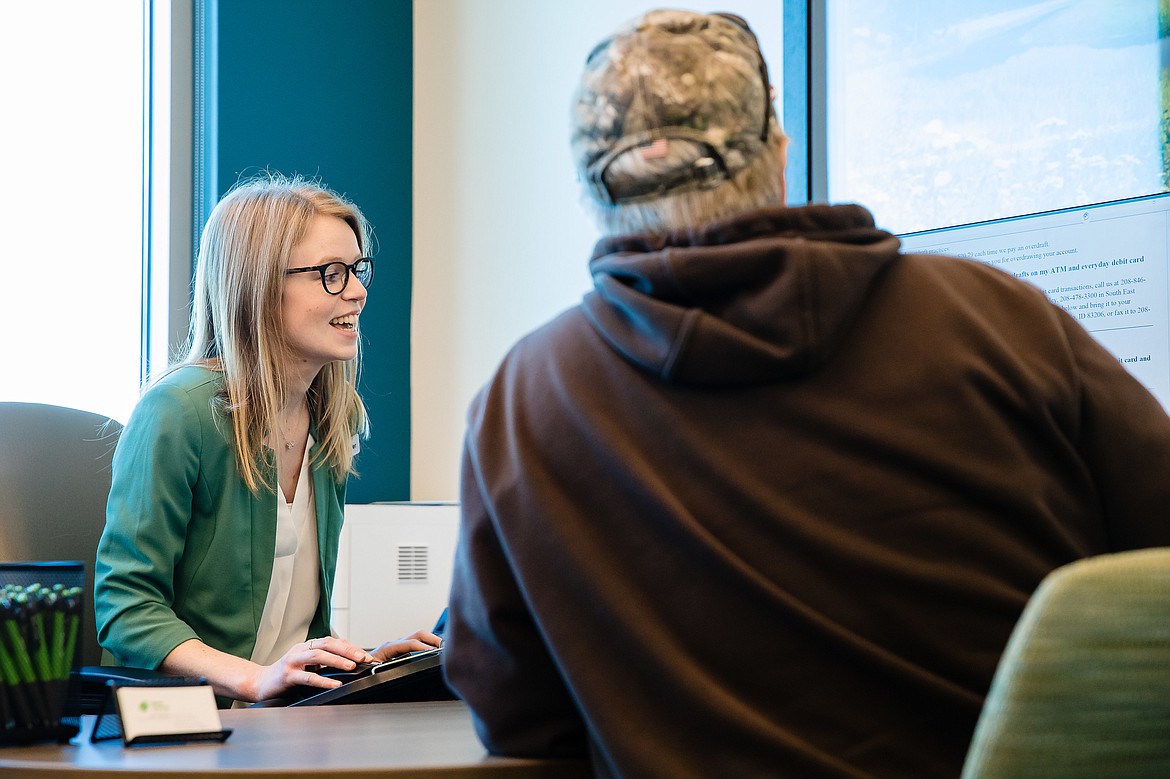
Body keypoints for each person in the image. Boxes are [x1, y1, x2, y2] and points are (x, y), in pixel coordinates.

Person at [442, 9, 1170, 779]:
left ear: (596, 197)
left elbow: (520, 718)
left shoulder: (524, 402)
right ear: (778, 156)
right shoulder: (1000, 320)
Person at [95, 174, 440, 706]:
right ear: (257, 286)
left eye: (356, 269)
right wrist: (254, 680)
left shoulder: (329, 421)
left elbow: (284, 640)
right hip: (183, 727)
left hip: (279, 724)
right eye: (330, 274)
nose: (357, 290)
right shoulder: (177, 412)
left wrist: (366, 664)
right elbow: (125, 607)